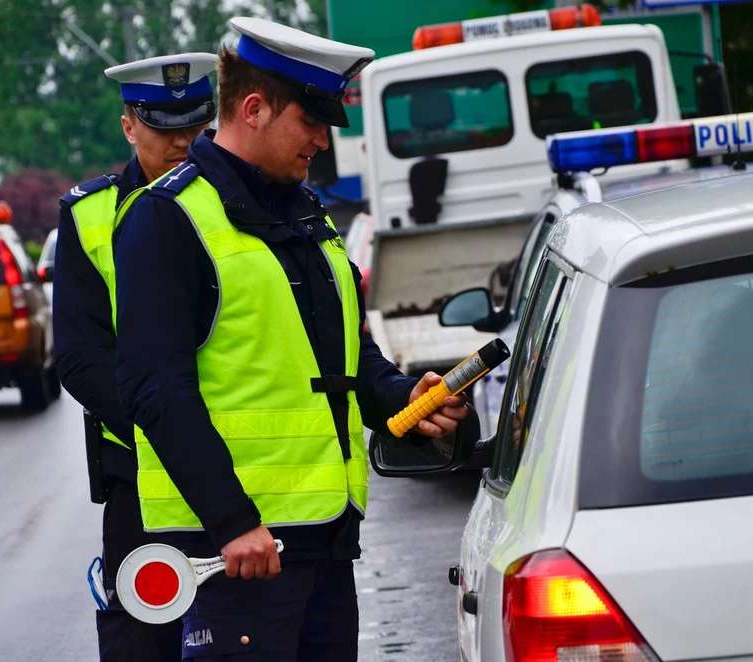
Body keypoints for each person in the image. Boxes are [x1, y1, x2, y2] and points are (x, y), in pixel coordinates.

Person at [111, 16, 472, 662]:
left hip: (324, 540)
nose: (323, 143)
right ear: (253, 110)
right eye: (311, 123)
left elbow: (341, 355)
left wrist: (402, 399)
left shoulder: (304, 212)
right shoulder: (166, 219)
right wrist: (232, 520)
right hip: (239, 554)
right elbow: (155, 390)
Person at [52, 52, 218, 661]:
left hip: (249, 470)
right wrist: (171, 431)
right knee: (144, 641)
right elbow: (81, 358)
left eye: (196, 126)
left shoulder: (245, 204)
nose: (182, 142)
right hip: (142, 480)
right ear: (129, 126)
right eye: (163, 127)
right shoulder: (90, 217)